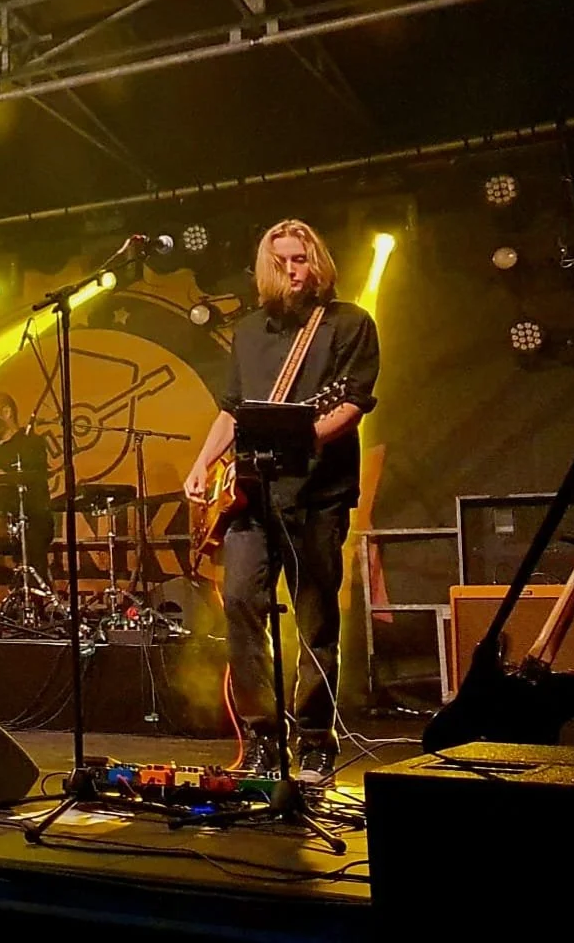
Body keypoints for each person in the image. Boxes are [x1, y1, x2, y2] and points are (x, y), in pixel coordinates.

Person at [183, 219, 379, 783]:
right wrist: (201, 463)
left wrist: (302, 436)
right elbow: (232, 409)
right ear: (267, 269)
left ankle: (316, 738)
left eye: (302, 258)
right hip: (250, 495)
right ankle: (264, 737)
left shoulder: (350, 325)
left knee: (316, 615)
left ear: (318, 261)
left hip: (318, 495)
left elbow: (352, 405)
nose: (295, 270)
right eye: (284, 261)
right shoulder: (249, 332)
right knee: (242, 605)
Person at [0, 392, 54, 583]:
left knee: (33, 550)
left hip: (31, 517)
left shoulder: (30, 442)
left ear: (7, 412)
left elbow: (28, 476)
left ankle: (36, 600)